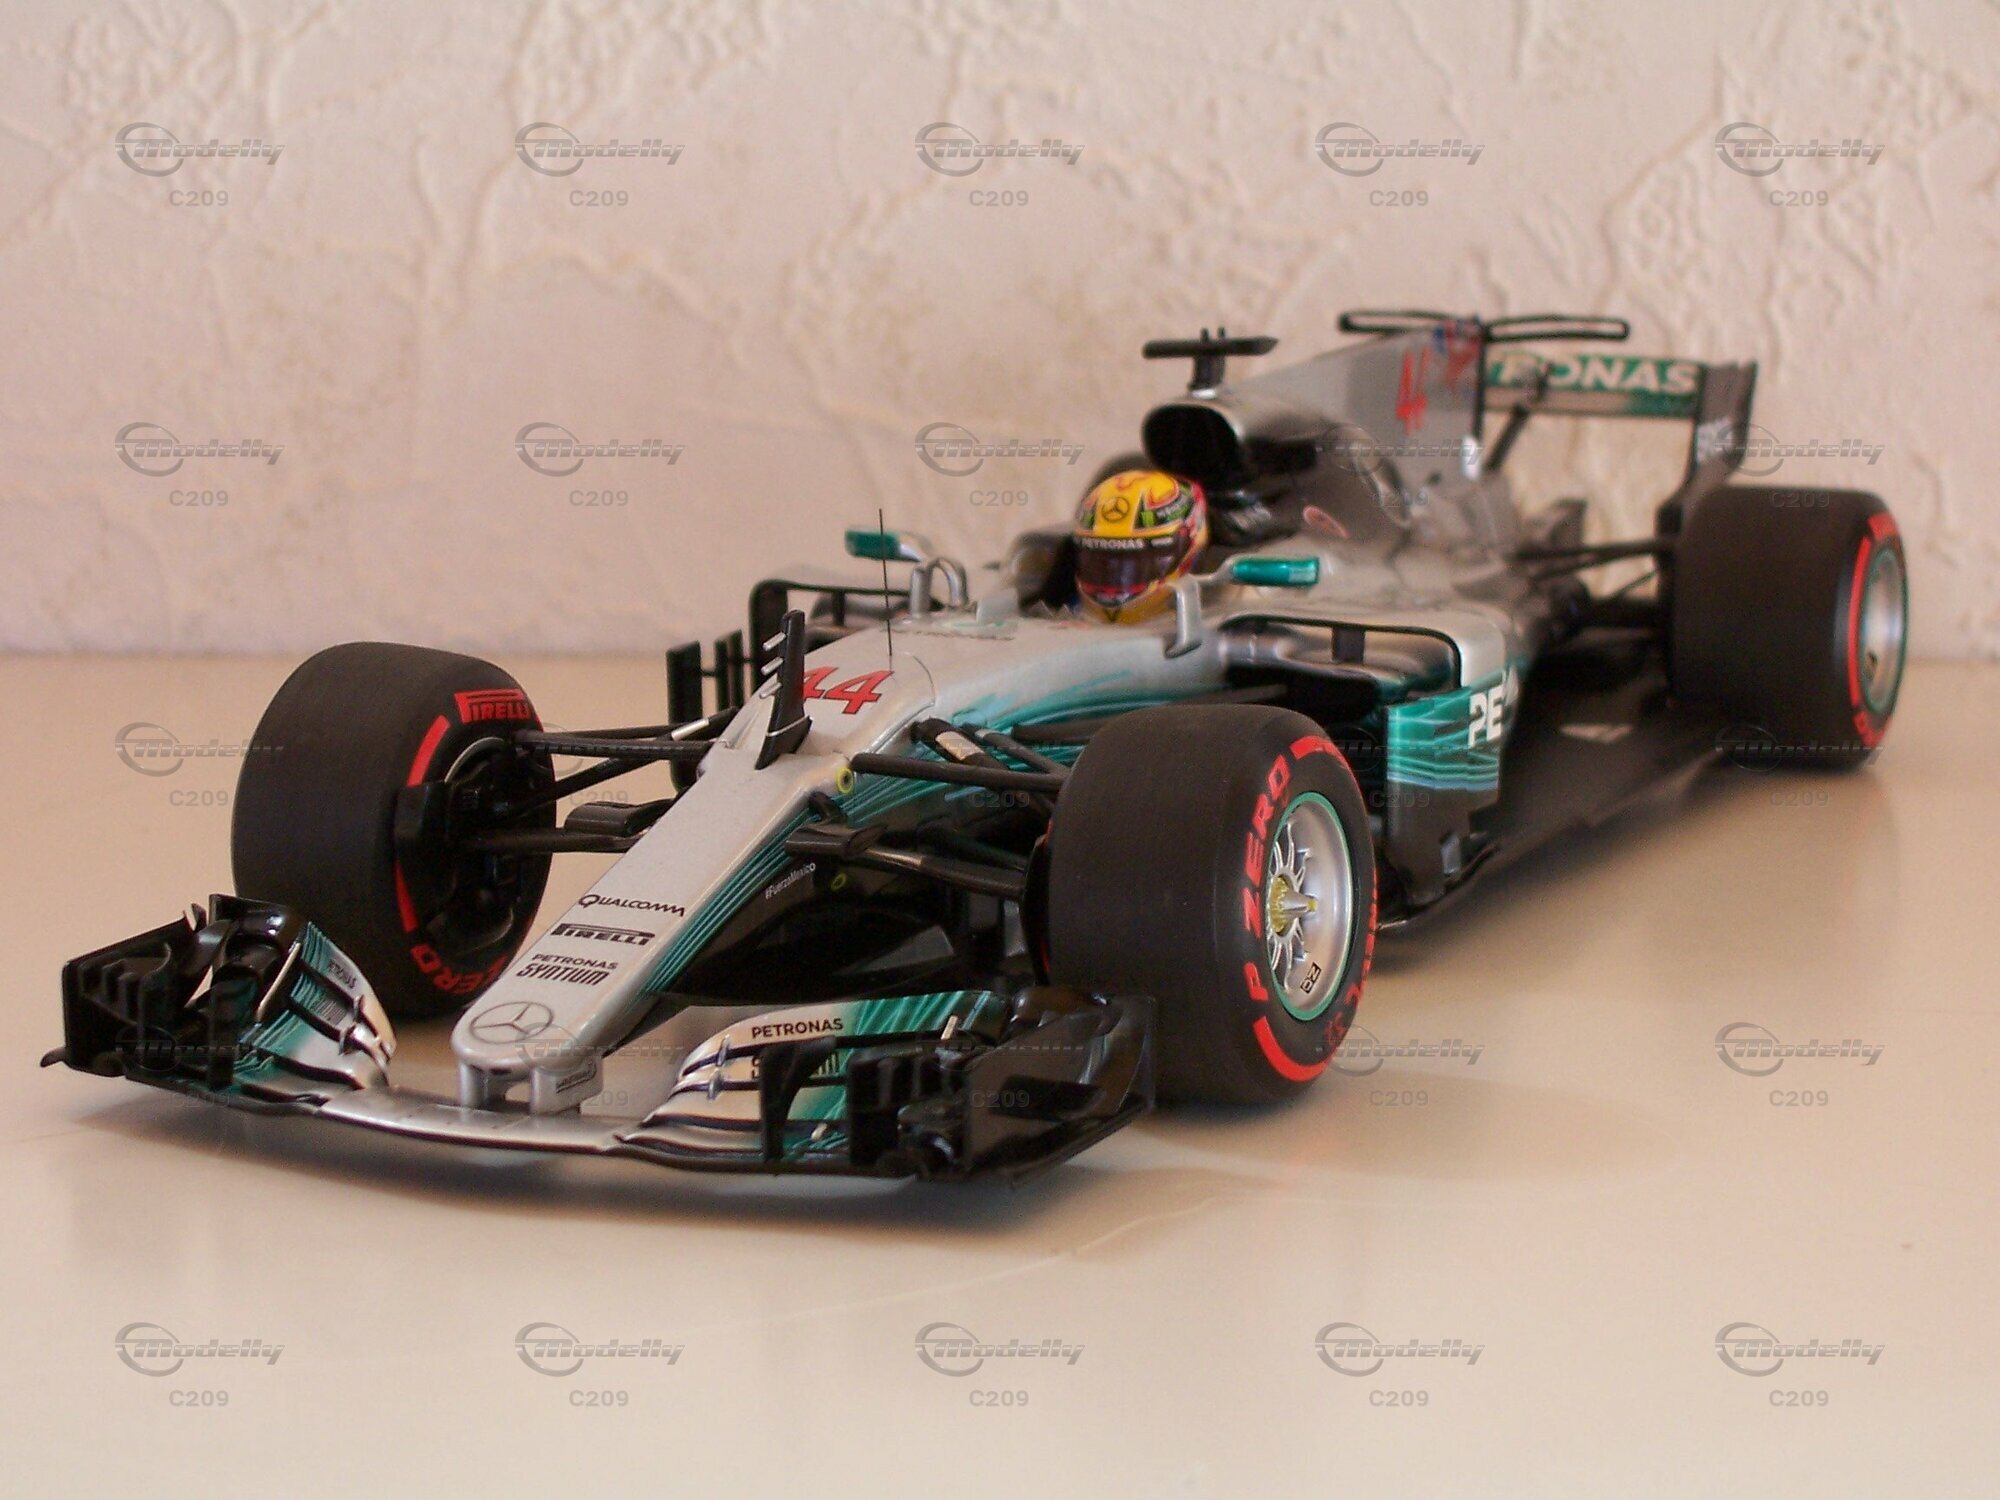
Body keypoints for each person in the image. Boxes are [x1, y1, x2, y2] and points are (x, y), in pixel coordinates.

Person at [1071, 469, 1209, 623]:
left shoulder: (1221, 606)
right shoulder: (1067, 607)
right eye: (1100, 562)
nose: (1117, 576)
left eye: (1136, 562)